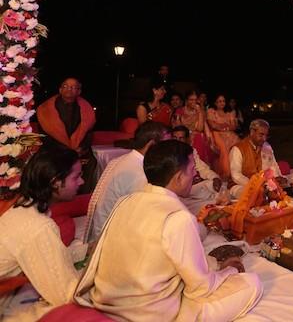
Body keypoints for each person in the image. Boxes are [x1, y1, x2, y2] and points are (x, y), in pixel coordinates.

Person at [74, 141, 263, 321]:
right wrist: (227, 271)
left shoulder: (125, 202)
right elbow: (201, 288)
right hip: (147, 313)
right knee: (252, 283)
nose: (194, 175)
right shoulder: (178, 218)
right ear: (179, 178)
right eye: (191, 171)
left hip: (105, 300)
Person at [0, 147, 86, 321]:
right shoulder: (38, 226)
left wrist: (86, 251)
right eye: (76, 177)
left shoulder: (23, 204)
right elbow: (64, 294)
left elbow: (48, 256)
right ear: (55, 182)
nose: (82, 182)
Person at [83, 122, 170, 244]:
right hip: (108, 239)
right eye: (166, 146)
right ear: (151, 145)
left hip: (103, 230)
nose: (169, 152)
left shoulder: (126, 159)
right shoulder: (140, 172)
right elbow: (143, 218)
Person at [36, 78, 96, 189]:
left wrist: (82, 148)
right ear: (60, 89)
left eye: (73, 87)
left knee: (91, 161)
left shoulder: (86, 108)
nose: (69, 89)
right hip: (54, 149)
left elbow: (89, 132)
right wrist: (66, 150)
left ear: (79, 91)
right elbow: (44, 135)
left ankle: (81, 196)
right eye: (66, 86)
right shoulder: (46, 109)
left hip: (79, 150)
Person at [172, 125, 228, 215]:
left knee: (217, 185)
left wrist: (214, 178)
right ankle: (214, 204)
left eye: (181, 138)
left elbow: (202, 168)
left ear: (187, 139)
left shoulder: (191, 151)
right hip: (183, 189)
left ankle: (214, 203)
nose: (177, 141)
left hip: (195, 185)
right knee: (201, 196)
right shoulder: (169, 154)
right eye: (175, 138)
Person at [229, 119, 285, 199]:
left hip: (264, 185)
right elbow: (236, 176)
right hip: (240, 185)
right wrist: (255, 185)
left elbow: (273, 166)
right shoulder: (238, 149)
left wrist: (277, 178)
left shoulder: (267, 147)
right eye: (261, 135)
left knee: (283, 191)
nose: (264, 139)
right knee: (253, 195)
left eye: (266, 135)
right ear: (252, 132)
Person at [172, 90, 211, 166]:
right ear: (186, 100)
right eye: (191, 99)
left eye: (195, 100)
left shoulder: (200, 111)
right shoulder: (180, 111)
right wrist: (189, 133)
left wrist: (199, 112)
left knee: (199, 136)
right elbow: (179, 128)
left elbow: (199, 129)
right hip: (183, 136)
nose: (194, 102)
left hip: (196, 135)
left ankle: (198, 169)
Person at [207, 94, 240, 177]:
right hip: (216, 134)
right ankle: (225, 173)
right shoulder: (211, 111)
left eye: (223, 101)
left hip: (230, 134)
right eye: (219, 101)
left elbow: (234, 126)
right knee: (223, 148)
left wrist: (223, 127)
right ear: (215, 103)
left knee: (237, 148)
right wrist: (225, 126)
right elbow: (213, 125)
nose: (222, 103)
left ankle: (235, 172)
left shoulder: (229, 113)